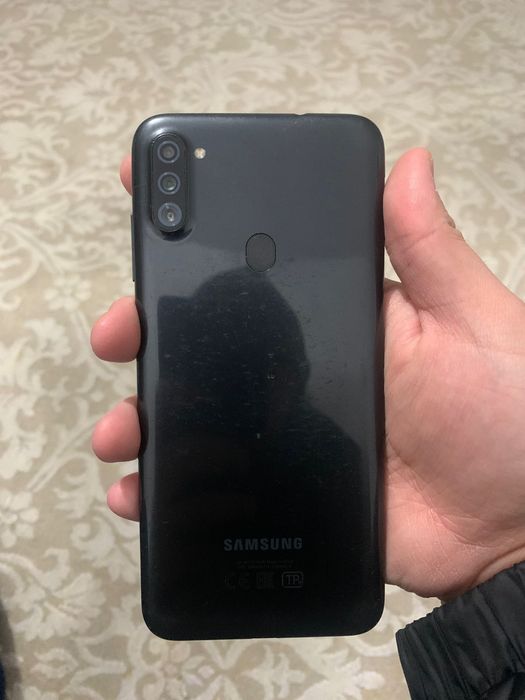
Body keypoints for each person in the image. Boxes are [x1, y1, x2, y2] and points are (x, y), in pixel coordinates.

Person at [91, 148, 525, 698]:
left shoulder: (338, 455)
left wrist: (502, 547)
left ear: (297, 371)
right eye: (227, 364)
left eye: (262, 364)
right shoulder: (332, 450)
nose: (247, 383)